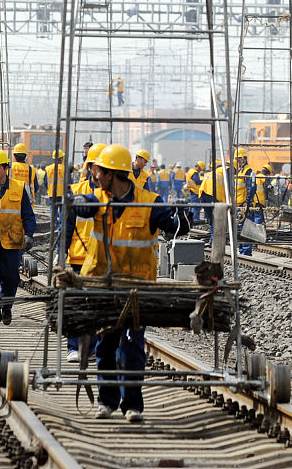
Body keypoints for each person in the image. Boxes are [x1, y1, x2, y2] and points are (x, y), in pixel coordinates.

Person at [74, 144, 189, 422]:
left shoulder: (150, 202)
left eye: (98, 171)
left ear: (113, 174)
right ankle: (107, 401)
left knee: (132, 347)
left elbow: (176, 228)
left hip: (138, 290)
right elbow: (85, 207)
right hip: (104, 286)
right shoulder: (98, 199)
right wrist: (79, 205)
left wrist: (183, 217)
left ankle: (133, 405)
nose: (94, 175)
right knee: (106, 345)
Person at [0, 149, 36, 326]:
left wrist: (30, 235)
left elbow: (28, 215)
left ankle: (6, 307)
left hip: (12, 242)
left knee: (11, 278)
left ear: (6, 168)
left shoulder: (19, 188)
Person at [64, 143, 105, 364]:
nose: (99, 172)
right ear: (89, 168)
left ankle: (93, 348)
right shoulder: (77, 191)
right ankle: (73, 347)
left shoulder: (112, 193)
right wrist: (60, 251)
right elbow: (68, 224)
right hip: (79, 257)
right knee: (77, 303)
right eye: (95, 166)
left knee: (98, 305)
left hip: (103, 259)